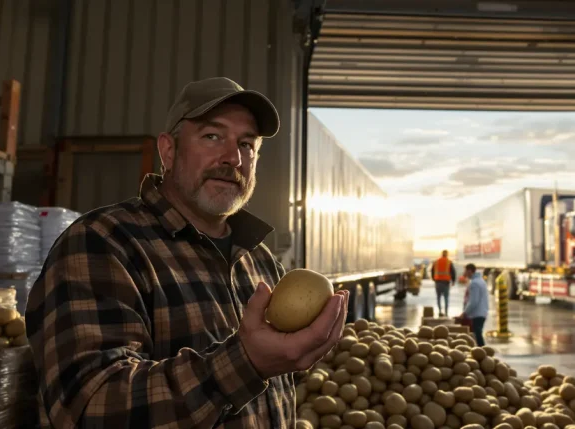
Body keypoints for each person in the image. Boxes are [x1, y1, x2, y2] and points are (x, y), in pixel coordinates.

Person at [25, 77, 349, 429]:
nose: (233, 158)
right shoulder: (103, 244)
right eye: (213, 136)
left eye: (247, 144)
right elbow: (89, 407)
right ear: (168, 150)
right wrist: (246, 363)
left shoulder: (259, 261)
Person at [459, 263, 489, 346]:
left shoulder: (474, 283)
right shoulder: (480, 281)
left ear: (469, 271)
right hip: (482, 312)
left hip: (477, 314)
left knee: (477, 335)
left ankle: (483, 352)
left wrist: (465, 313)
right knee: (477, 334)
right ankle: (482, 352)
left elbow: (473, 301)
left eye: (465, 271)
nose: (464, 273)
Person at [431, 250, 456, 317]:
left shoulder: (436, 262)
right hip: (446, 283)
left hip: (438, 282)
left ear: (441, 254)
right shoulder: (449, 262)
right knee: (446, 298)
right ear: (447, 254)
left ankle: (439, 311)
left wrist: (434, 279)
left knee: (438, 297)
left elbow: (432, 271)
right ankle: (446, 312)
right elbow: (453, 272)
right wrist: (453, 281)